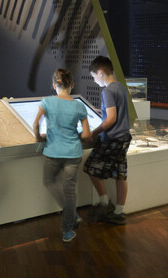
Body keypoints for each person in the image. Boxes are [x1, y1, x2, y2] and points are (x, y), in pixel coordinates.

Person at [34, 68, 91, 243]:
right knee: (69, 192)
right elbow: (87, 134)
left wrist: (39, 138)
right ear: (72, 84)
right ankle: (67, 231)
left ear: (54, 85)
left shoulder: (47, 102)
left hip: (52, 152)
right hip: (73, 153)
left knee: (49, 181)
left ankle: (73, 215)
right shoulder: (79, 106)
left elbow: (36, 124)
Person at [84, 56, 132, 225]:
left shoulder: (107, 91)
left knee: (90, 167)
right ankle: (119, 212)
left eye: (93, 76)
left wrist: (93, 133)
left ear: (100, 72)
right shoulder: (120, 87)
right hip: (124, 137)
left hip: (112, 139)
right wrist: (100, 110)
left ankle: (104, 203)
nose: (94, 80)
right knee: (120, 174)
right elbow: (115, 111)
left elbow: (111, 118)